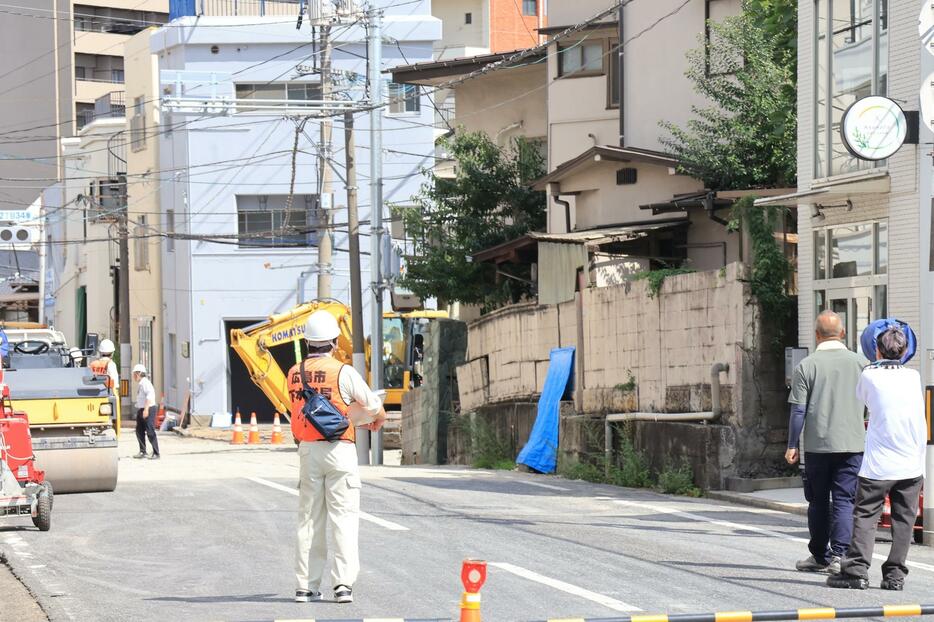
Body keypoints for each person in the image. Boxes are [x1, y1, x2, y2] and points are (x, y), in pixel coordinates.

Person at [289, 310, 385, 605]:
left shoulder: (294, 373)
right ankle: (342, 586)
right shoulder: (342, 371)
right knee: (343, 519)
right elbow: (373, 406)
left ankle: (305, 587)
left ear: (307, 343)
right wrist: (374, 419)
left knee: (309, 520)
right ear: (333, 341)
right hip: (339, 449)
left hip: (308, 450)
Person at [827, 327, 927, 591]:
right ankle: (895, 577)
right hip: (911, 463)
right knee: (903, 521)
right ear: (905, 351)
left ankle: (856, 571)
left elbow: (863, 398)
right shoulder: (914, 376)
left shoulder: (869, 375)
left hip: (879, 464)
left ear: (877, 351)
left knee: (865, 516)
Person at [786, 310, 868, 574]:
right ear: (842, 333)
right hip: (853, 444)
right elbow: (869, 405)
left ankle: (819, 556)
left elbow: (798, 410)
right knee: (845, 500)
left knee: (818, 501)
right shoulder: (861, 364)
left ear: (817, 334)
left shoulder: (806, 366)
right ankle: (839, 557)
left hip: (818, 445)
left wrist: (791, 445)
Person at [132, 363, 160, 460]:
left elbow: (150, 396)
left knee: (150, 431)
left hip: (148, 409)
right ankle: (142, 451)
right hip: (142, 409)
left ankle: (156, 453)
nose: (134, 376)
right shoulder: (141, 384)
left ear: (139, 373)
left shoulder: (145, 383)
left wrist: (146, 409)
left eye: (134, 374)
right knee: (139, 431)